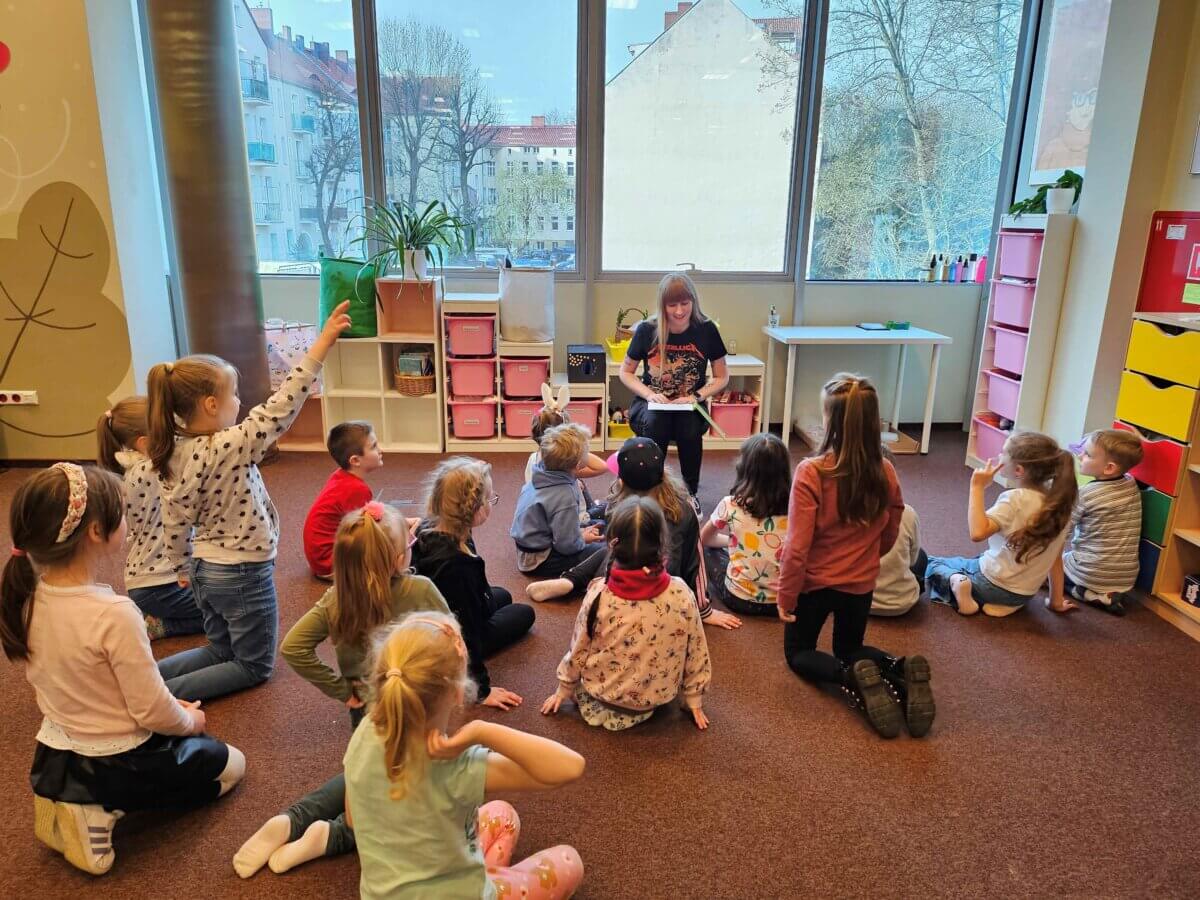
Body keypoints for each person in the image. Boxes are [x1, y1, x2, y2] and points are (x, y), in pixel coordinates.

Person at [1, 464, 244, 876]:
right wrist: (190, 719)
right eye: (124, 511)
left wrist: (170, 706)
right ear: (96, 531)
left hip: (56, 750)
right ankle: (97, 813)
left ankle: (65, 796)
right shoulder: (115, 614)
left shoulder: (25, 597)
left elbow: (100, 686)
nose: (130, 518)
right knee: (231, 764)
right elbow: (149, 712)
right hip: (120, 761)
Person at [148, 300, 352, 701]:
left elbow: (172, 518)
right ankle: (155, 698)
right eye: (234, 394)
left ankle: (142, 679)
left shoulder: (171, 449)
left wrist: (180, 565)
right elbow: (282, 406)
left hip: (205, 570)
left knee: (219, 648)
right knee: (252, 664)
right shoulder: (230, 445)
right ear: (210, 405)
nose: (240, 401)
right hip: (241, 572)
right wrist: (321, 344)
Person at [233, 503, 450, 879]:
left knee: (367, 773)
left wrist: (341, 690)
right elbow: (449, 636)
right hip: (416, 707)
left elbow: (293, 647)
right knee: (404, 794)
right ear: (400, 558)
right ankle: (334, 835)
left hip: (365, 711)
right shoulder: (420, 589)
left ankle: (290, 821)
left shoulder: (337, 598)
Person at [344, 612, 585, 899]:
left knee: (503, 814)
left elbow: (352, 820)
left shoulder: (366, 729)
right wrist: (481, 730)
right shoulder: (458, 765)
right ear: (459, 693)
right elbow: (570, 766)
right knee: (569, 861)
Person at [777, 374, 934, 739]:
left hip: (814, 584)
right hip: (860, 584)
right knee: (850, 646)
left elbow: (797, 547)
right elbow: (891, 528)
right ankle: (898, 665)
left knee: (799, 652)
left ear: (830, 422)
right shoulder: (887, 470)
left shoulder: (811, 472)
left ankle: (849, 678)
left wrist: (786, 595)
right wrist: (867, 559)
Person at [525, 437, 742, 630]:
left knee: (606, 550)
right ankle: (578, 582)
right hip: (665, 588)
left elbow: (614, 552)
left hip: (619, 589)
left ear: (622, 480)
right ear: (663, 472)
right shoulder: (685, 510)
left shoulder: (616, 508)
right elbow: (697, 563)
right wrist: (705, 610)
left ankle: (572, 580)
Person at [541, 497, 712, 731]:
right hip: (654, 698)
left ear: (612, 544)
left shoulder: (598, 594)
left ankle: (569, 579)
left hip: (602, 695)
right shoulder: (681, 591)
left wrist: (564, 688)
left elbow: (578, 648)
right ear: (662, 544)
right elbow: (697, 649)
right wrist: (694, 699)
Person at [412, 458, 535, 711]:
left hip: (445, 611)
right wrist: (481, 689)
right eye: (489, 499)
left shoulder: (432, 526)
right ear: (473, 509)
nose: (491, 504)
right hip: (452, 634)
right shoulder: (457, 566)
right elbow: (464, 629)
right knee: (524, 613)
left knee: (503, 595)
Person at [927, 431, 1077, 617]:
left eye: (1003, 453)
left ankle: (959, 585)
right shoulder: (1061, 507)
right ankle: (1001, 605)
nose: (999, 456)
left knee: (931, 563)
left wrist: (977, 488)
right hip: (1022, 595)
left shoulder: (1014, 499)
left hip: (991, 584)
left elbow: (978, 532)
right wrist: (1056, 602)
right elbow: (1055, 559)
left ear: (1019, 470)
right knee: (976, 559)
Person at [619, 272, 729, 511]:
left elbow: (722, 376)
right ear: (663, 305)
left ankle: (690, 492)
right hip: (650, 402)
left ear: (693, 302)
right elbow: (625, 372)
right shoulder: (647, 330)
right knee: (656, 425)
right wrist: (649, 393)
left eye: (685, 304)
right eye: (672, 305)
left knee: (689, 428)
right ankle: (652, 491)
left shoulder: (707, 329)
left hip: (690, 403)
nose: (679, 311)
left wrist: (695, 397)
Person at [95, 397, 202, 639]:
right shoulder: (154, 470)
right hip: (162, 585)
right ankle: (160, 626)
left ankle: (154, 614)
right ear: (145, 443)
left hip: (147, 581)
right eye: (168, 431)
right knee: (230, 610)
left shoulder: (133, 470)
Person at [700, 432, 791, 616]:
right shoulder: (797, 507)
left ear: (743, 468)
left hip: (739, 599)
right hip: (786, 601)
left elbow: (705, 539)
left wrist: (733, 541)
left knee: (708, 552)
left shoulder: (730, 504)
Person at [1061, 428, 1144, 615]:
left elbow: (1060, 533)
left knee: (1047, 571)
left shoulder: (1085, 495)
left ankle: (1087, 593)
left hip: (1091, 572)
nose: (1080, 455)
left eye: (1088, 454)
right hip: (1126, 578)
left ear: (1109, 468)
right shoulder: (1130, 483)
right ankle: (1106, 593)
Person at [511, 423, 605, 578]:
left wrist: (579, 532)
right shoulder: (564, 495)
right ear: (578, 465)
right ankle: (569, 581)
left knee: (599, 527)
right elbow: (567, 546)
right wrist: (582, 539)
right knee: (605, 552)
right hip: (540, 560)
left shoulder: (540, 474)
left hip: (533, 546)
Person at [302, 420, 383, 579]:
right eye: (374, 447)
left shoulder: (341, 475)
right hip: (330, 563)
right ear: (355, 460)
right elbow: (368, 530)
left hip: (321, 558)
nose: (381, 450)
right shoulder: (357, 490)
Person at [525, 383, 608, 526]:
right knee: (609, 509)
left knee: (580, 483)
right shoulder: (566, 463)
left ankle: (591, 507)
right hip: (574, 522)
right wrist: (577, 447)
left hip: (545, 513)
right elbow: (602, 467)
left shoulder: (533, 459)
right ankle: (591, 512)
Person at [870, 504, 926, 617]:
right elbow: (913, 561)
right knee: (921, 556)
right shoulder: (908, 513)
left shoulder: (841, 510)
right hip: (902, 604)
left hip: (853, 600)